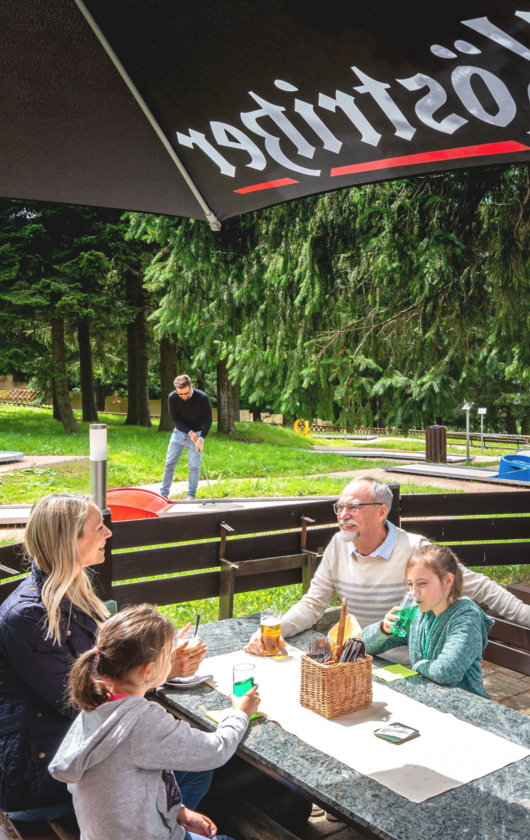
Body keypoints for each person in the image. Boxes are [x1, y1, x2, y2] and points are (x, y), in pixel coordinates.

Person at [0, 493, 207, 824]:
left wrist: (159, 655)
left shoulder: (74, 589)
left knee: (190, 758)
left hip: (82, 746)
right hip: (43, 769)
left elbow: (106, 664)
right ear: (70, 541)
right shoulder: (26, 616)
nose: (108, 533)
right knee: (196, 766)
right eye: (99, 527)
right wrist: (161, 674)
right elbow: (81, 701)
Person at [244, 476, 530, 655]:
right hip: (359, 658)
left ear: (381, 512)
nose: (343, 515)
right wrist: (276, 630)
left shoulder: (415, 549)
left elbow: (481, 587)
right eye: (339, 507)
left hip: (407, 665)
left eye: (353, 507)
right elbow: (312, 605)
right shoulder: (337, 545)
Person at [49, 604, 260, 840]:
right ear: (148, 670)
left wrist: (178, 811)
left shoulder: (95, 705)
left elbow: (129, 786)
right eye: (169, 655)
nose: (172, 659)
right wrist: (240, 713)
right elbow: (216, 751)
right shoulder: (144, 720)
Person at [362, 544, 494, 697]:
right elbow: (363, 646)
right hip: (428, 698)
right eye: (410, 584)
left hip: (467, 706)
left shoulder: (466, 617)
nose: (413, 593)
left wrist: (416, 666)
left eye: (422, 583)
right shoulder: (418, 615)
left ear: (447, 580)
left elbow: (447, 672)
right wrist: (383, 630)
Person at [160, 374, 213, 501]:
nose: (184, 396)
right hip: (179, 434)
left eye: (186, 393)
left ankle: (191, 495)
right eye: (180, 394)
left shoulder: (202, 397)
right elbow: (175, 418)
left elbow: (208, 419)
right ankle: (163, 494)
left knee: (194, 466)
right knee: (169, 464)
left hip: (198, 435)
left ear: (191, 386)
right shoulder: (173, 397)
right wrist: (189, 432)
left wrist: (201, 438)